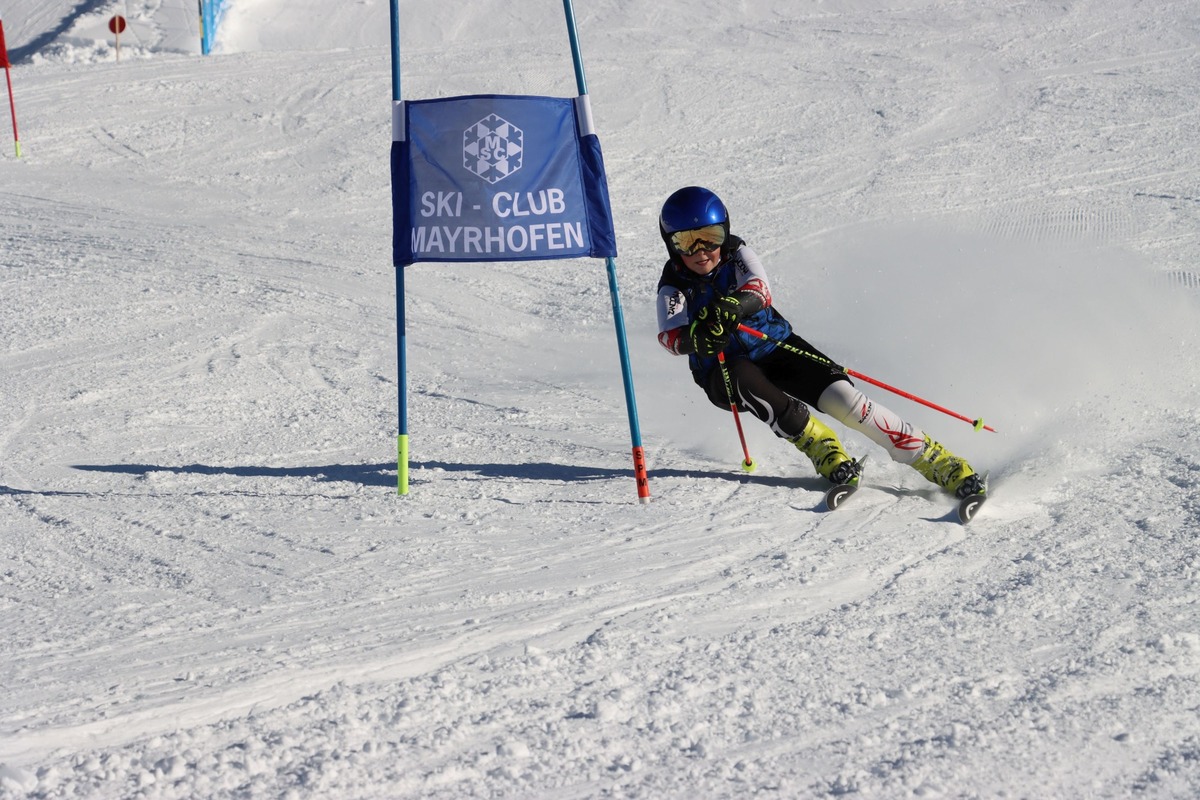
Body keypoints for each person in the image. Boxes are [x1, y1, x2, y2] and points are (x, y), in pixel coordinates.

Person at [654, 185, 985, 499]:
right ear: (671, 245)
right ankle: (822, 447)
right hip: (723, 372)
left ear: (725, 234)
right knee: (744, 377)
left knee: (845, 400)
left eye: (711, 238)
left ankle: (934, 459)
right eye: (687, 242)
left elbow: (760, 289)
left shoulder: (738, 254)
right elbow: (669, 335)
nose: (701, 251)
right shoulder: (674, 284)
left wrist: (735, 305)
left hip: (775, 345)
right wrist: (696, 339)